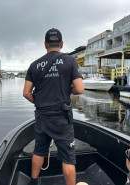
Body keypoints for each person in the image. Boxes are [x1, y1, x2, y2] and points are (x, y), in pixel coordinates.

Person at [23, 28, 84, 185]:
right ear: (62, 44)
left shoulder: (34, 65)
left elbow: (26, 93)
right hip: (61, 118)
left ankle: (34, 181)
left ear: (45, 44)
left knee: (39, 151)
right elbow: (79, 89)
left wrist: (40, 103)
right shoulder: (70, 61)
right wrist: (68, 89)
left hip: (42, 116)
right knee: (68, 158)